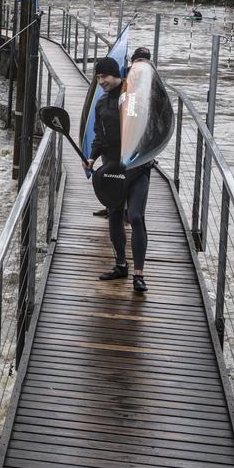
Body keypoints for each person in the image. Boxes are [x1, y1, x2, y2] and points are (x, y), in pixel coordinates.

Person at [84, 48, 154, 293]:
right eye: (98, 77)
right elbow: (99, 138)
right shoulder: (101, 103)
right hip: (112, 167)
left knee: (135, 216)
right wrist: (91, 158)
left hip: (137, 168)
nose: (101, 81)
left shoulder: (135, 95)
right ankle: (121, 265)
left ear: (116, 75)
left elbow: (151, 126)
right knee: (114, 215)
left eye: (105, 76)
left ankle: (139, 274)